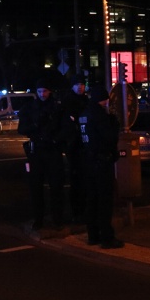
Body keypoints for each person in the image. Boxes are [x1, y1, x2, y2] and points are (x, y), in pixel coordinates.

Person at [17, 77, 67, 230]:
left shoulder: (57, 107)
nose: (42, 94)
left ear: (49, 91)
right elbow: (22, 129)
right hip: (37, 150)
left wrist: (55, 139)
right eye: (39, 91)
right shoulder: (30, 108)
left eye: (44, 91)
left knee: (56, 186)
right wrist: (35, 125)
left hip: (52, 150)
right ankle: (39, 219)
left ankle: (57, 218)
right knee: (36, 187)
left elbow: (65, 128)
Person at [79, 85, 124, 248]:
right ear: (102, 99)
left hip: (88, 161)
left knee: (92, 200)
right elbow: (109, 138)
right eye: (105, 100)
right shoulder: (100, 115)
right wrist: (114, 125)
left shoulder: (84, 114)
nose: (107, 103)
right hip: (102, 161)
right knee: (105, 200)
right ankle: (107, 237)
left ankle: (93, 235)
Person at [60, 75, 89, 222]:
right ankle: (77, 211)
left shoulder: (86, 100)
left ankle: (83, 210)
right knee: (76, 178)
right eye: (77, 84)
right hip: (74, 145)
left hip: (85, 144)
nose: (80, 87)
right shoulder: (68, 102)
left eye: (82, 84)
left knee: (85, 179)